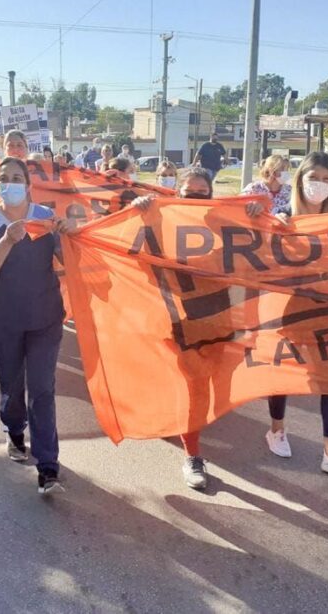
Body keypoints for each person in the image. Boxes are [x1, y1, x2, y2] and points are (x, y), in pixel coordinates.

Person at [133, 165, 261, 490]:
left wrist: (257, 216)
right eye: (189, 195)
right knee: (195, 388)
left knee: (220, 384)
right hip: (183, 324)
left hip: (223, 321)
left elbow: (259, 249)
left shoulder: (226, 224)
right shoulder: (163, 223)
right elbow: (139, 260)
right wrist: (143, 216)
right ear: (178, 194)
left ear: (212, 196)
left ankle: (200, 420)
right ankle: (192, 456)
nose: (196, 200)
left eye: (203, 195)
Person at [254, 152, 328, 478]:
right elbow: (256, 245)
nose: (320, 184)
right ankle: (276, 430)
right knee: (282, 372)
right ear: (300, 180)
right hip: (289, 308)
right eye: (314, 177)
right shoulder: (284, 217)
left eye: (327, 179)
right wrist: (269, 223)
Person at [0, 157, 76, 495]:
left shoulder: (45, 218)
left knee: (42, 389)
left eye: (17, 177)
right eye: (4, 178)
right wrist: (7, 240)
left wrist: (71, 236)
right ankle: (15, 429)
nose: (11, 183)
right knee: (12, 387)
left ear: (29, 184)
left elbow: (73, 261)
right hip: (4, 321)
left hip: (44, 318)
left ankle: (48, 468)